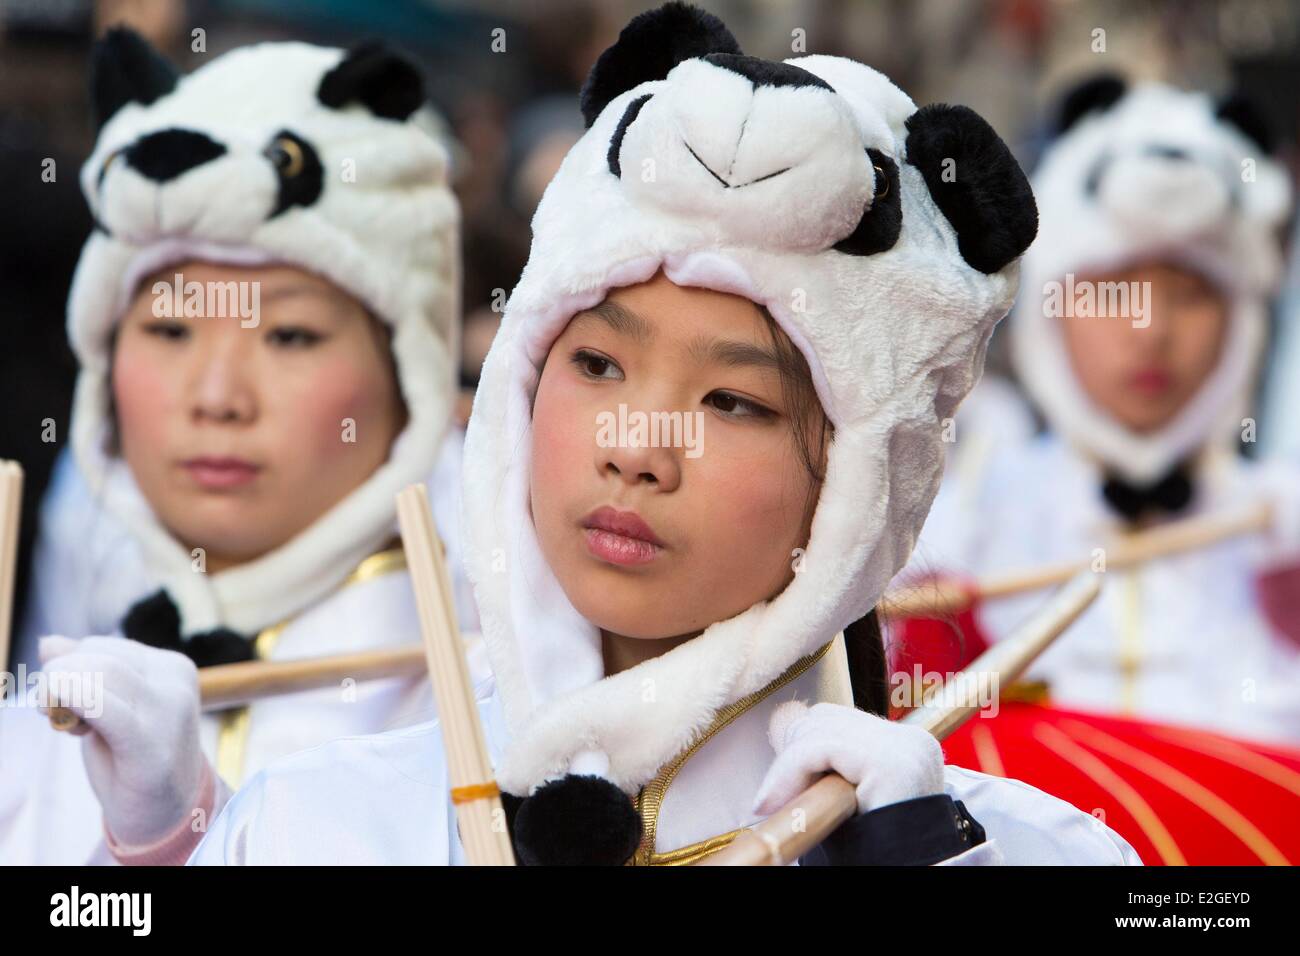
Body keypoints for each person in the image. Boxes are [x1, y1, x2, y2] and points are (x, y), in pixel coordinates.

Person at [192, 3, 1140, 866]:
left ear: (863, 486)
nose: (635, 446)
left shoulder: (1033, 855)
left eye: (734, 402)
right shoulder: (306, 828)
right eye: (597, 365)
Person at [0, 29, 487, 865]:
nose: (218, 397)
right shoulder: (44, 640)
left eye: (291, 335)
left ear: (411, 372)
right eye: (170, 327)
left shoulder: (501, 690)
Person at [911, 76, 1300, 745]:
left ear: (1242, 320)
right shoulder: (957, 529)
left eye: (1190, 293)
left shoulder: (1281, 536)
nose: (1151, 330)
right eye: (1113, 290)